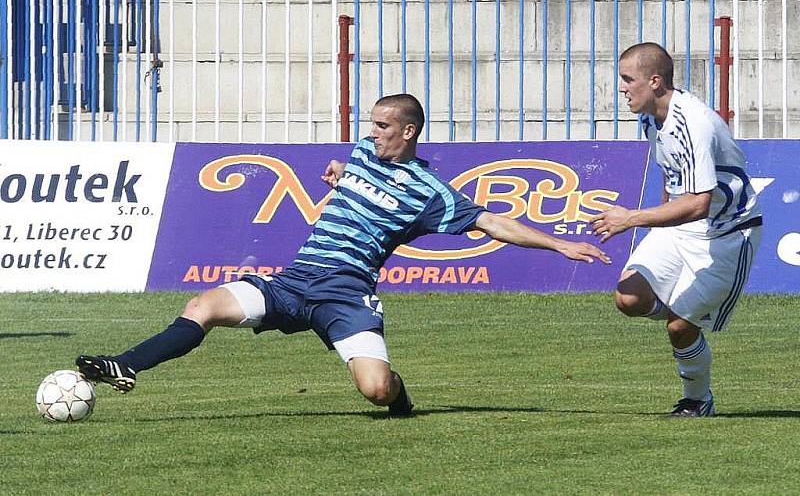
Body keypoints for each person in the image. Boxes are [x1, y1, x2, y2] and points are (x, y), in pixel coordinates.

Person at [77, 93, 610, 416]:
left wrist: (559, 242)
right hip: (295, 280)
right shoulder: (360, 154)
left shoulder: (430, 192)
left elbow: (491, 220)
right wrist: (341, 170)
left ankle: (400, 397)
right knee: (203, 307)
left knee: (376, 391)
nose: (371, 133)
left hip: (346, 293)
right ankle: (122, 366)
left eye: (381, 126)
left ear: (408, 131)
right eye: (370, 125)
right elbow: (350, 169)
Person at [590, 43, 762, 417]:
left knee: (679, 327)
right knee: (628, 298)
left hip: (726, 234)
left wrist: (631, 218)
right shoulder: (651, 116)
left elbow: (700, 202)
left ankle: (697, 400)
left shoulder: (695, 123)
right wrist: (659, 220)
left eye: (627, 79)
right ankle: (683, 309)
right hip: (681, 227)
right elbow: (670, 175)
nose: (621, 89)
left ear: (654, 81)